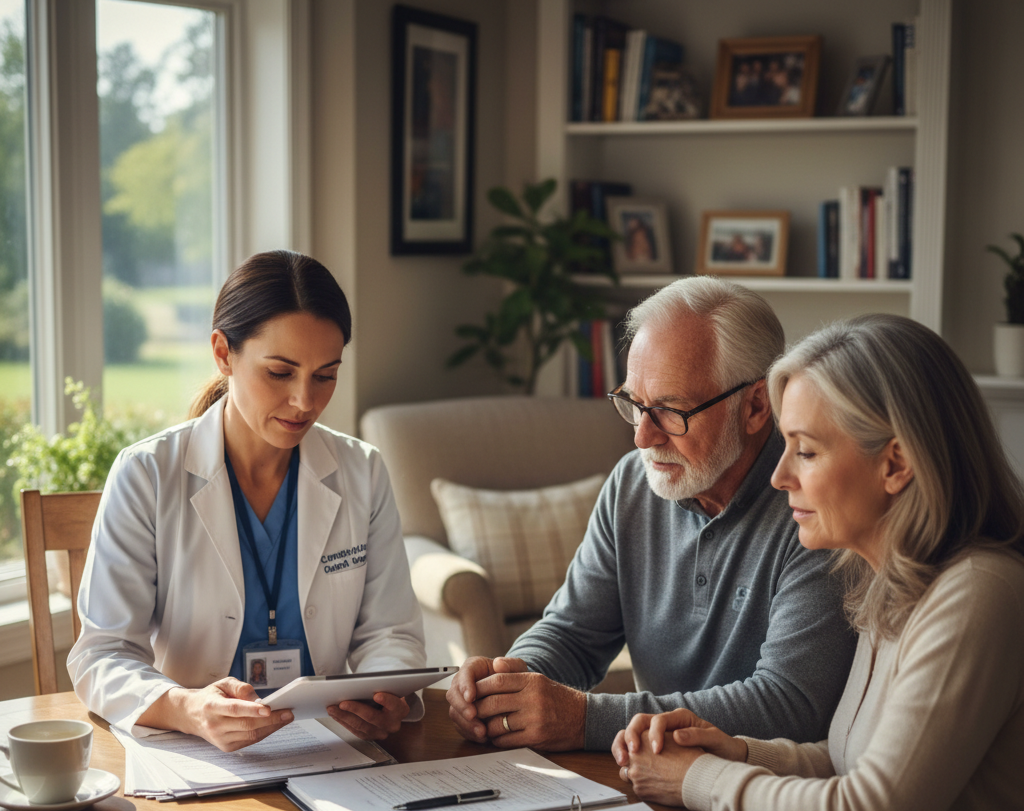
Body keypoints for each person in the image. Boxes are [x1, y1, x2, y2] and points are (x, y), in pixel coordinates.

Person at [614, 313, 1024, 811]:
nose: (777, 476)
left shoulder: (979, 594)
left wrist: (702, 780)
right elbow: (847, 765)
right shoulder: (893, 581)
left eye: (802, 451)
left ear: (895, 464)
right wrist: (735, 750)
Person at [446, 277, 857, 752]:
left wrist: (583, 720)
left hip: (767, 796)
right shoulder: (632, 484)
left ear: (756, 405)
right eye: (634, 404)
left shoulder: (813, 504)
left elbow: (789, 705)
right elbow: (574, 634)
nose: (642, 437)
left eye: (669, 411)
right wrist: (505, 685)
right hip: (658, 772)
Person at [70, 250, 426, 751]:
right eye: (280, 372)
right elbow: (102, 654)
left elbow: (392, 634)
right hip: (196, 752)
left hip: (329, 748)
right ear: (223, 353)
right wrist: (188, 708)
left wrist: (385, 694)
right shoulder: (146, 473)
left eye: (325, 375)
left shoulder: (361, 471)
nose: (305, 401)